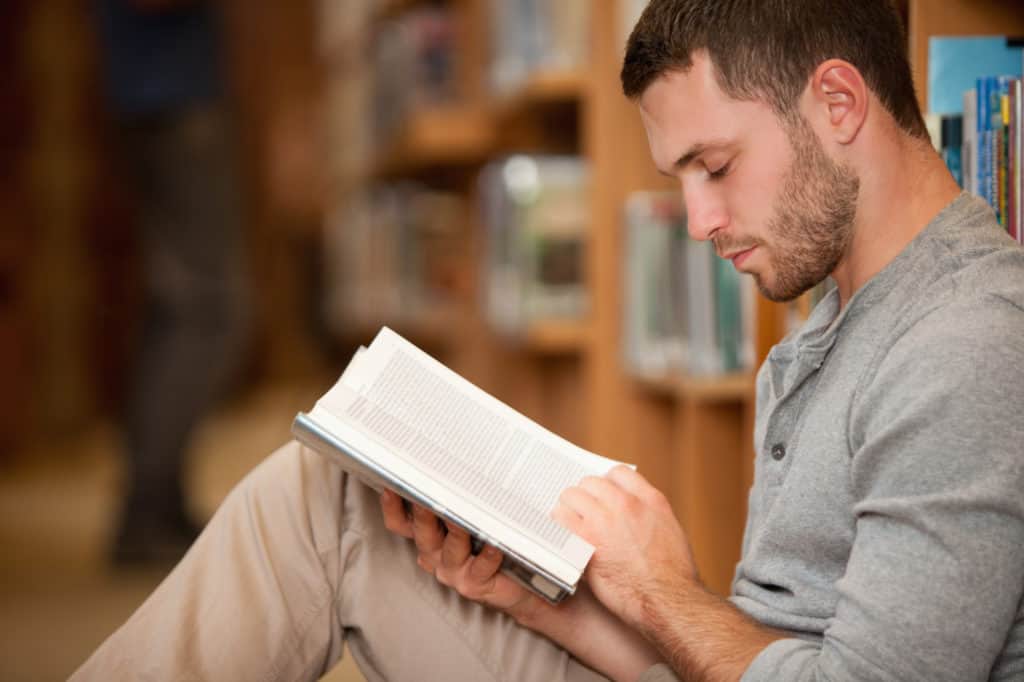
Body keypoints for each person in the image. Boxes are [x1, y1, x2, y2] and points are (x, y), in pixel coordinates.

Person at [73, 0, 1024, 679]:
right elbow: (765, 641)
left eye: (715, 165)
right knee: (332, 495)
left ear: (840, 104)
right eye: (680, 178)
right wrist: (544, 603)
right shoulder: (832, 321)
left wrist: (657, 590)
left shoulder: (967, 347)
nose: (697, 221)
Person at [93, 0, 250, 563]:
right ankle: (147, 508)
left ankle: (157, 501)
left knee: (181, 304)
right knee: (209, 309)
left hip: (158, 91)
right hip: (173, 96)